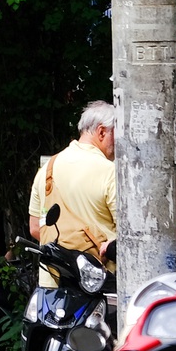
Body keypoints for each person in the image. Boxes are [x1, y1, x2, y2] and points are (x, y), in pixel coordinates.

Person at [32, 101, 118, 262]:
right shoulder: (110, 171)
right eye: (117, 133)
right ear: (101, 132)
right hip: (99, 281)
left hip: (52, 279)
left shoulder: (46, 170)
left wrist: (66, 255)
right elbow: (129, 234)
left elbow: (35, 228)